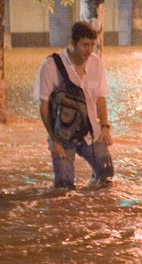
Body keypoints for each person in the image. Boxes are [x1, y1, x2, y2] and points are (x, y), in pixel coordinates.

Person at [32, 21, 114, 189]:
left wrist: (105, 127)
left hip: (91, 132)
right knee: (64, 187)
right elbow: (44, 105)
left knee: (107, 177)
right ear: (72, 43)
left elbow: (100, 98)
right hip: (62, 135)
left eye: (92, 45)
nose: (89, 50)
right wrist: (54, 139)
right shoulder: (50, 66)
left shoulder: (96, 63)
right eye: (84, 45)